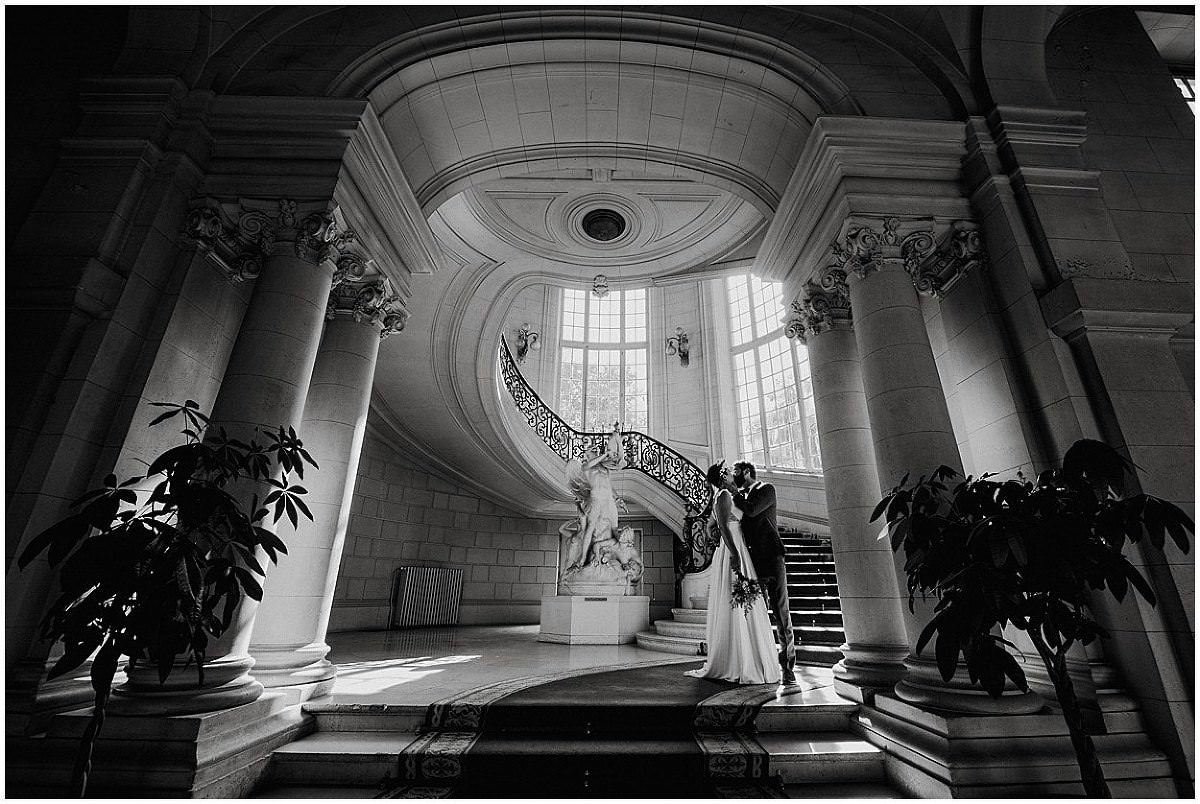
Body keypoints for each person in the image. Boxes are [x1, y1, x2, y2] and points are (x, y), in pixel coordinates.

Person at [685, 461, 781, 685]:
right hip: (733, 550)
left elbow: (710, 526)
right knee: (738, 599)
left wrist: (717, 540)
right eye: (728, 472)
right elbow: (722, 526)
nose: (731, 474)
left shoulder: (726, 495)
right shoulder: (723, 496)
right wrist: (734, 553)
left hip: (738, 547)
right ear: (722, 477)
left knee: (745, 600)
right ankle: (739, 659)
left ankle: (748, 655)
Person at [732, 459, 796, 684]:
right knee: (756, 612)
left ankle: (787, 667)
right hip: (752, 562)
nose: (734, 475)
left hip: (772, 558)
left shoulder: (766, 489)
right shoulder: (739, 497)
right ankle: (763, 663)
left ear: (746, 472)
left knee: (781, 612)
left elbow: (752, 510)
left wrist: (734, 492)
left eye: (736, 471)